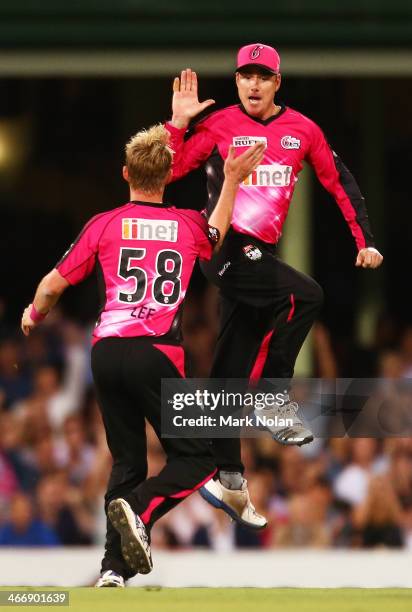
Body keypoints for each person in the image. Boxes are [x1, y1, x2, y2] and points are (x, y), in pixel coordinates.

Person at [21, 125, 265, 587]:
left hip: (107, 353)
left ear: (125, 173)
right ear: (170, 175)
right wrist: (230, 180)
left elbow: (51, 286)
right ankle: (140, 511)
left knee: (127, 462)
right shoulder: (188, 225)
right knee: (200, 458)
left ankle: (113, 570)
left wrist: (34, 314)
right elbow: (217, 232)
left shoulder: (104, 224)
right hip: (157, 353)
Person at [165, 43, 383, 524]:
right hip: (223, 245)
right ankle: (272, 394)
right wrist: (177, 125)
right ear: (238, 80)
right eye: (246, 76)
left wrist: (363, 239)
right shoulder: (218, 124)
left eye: (264, 76)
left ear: (277, 83)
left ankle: (230, 480)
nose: (254, 84)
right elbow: (169, 169)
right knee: (308, 295)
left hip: (257, 255)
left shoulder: (302, 130)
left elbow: (338, 181)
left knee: (226, 375)